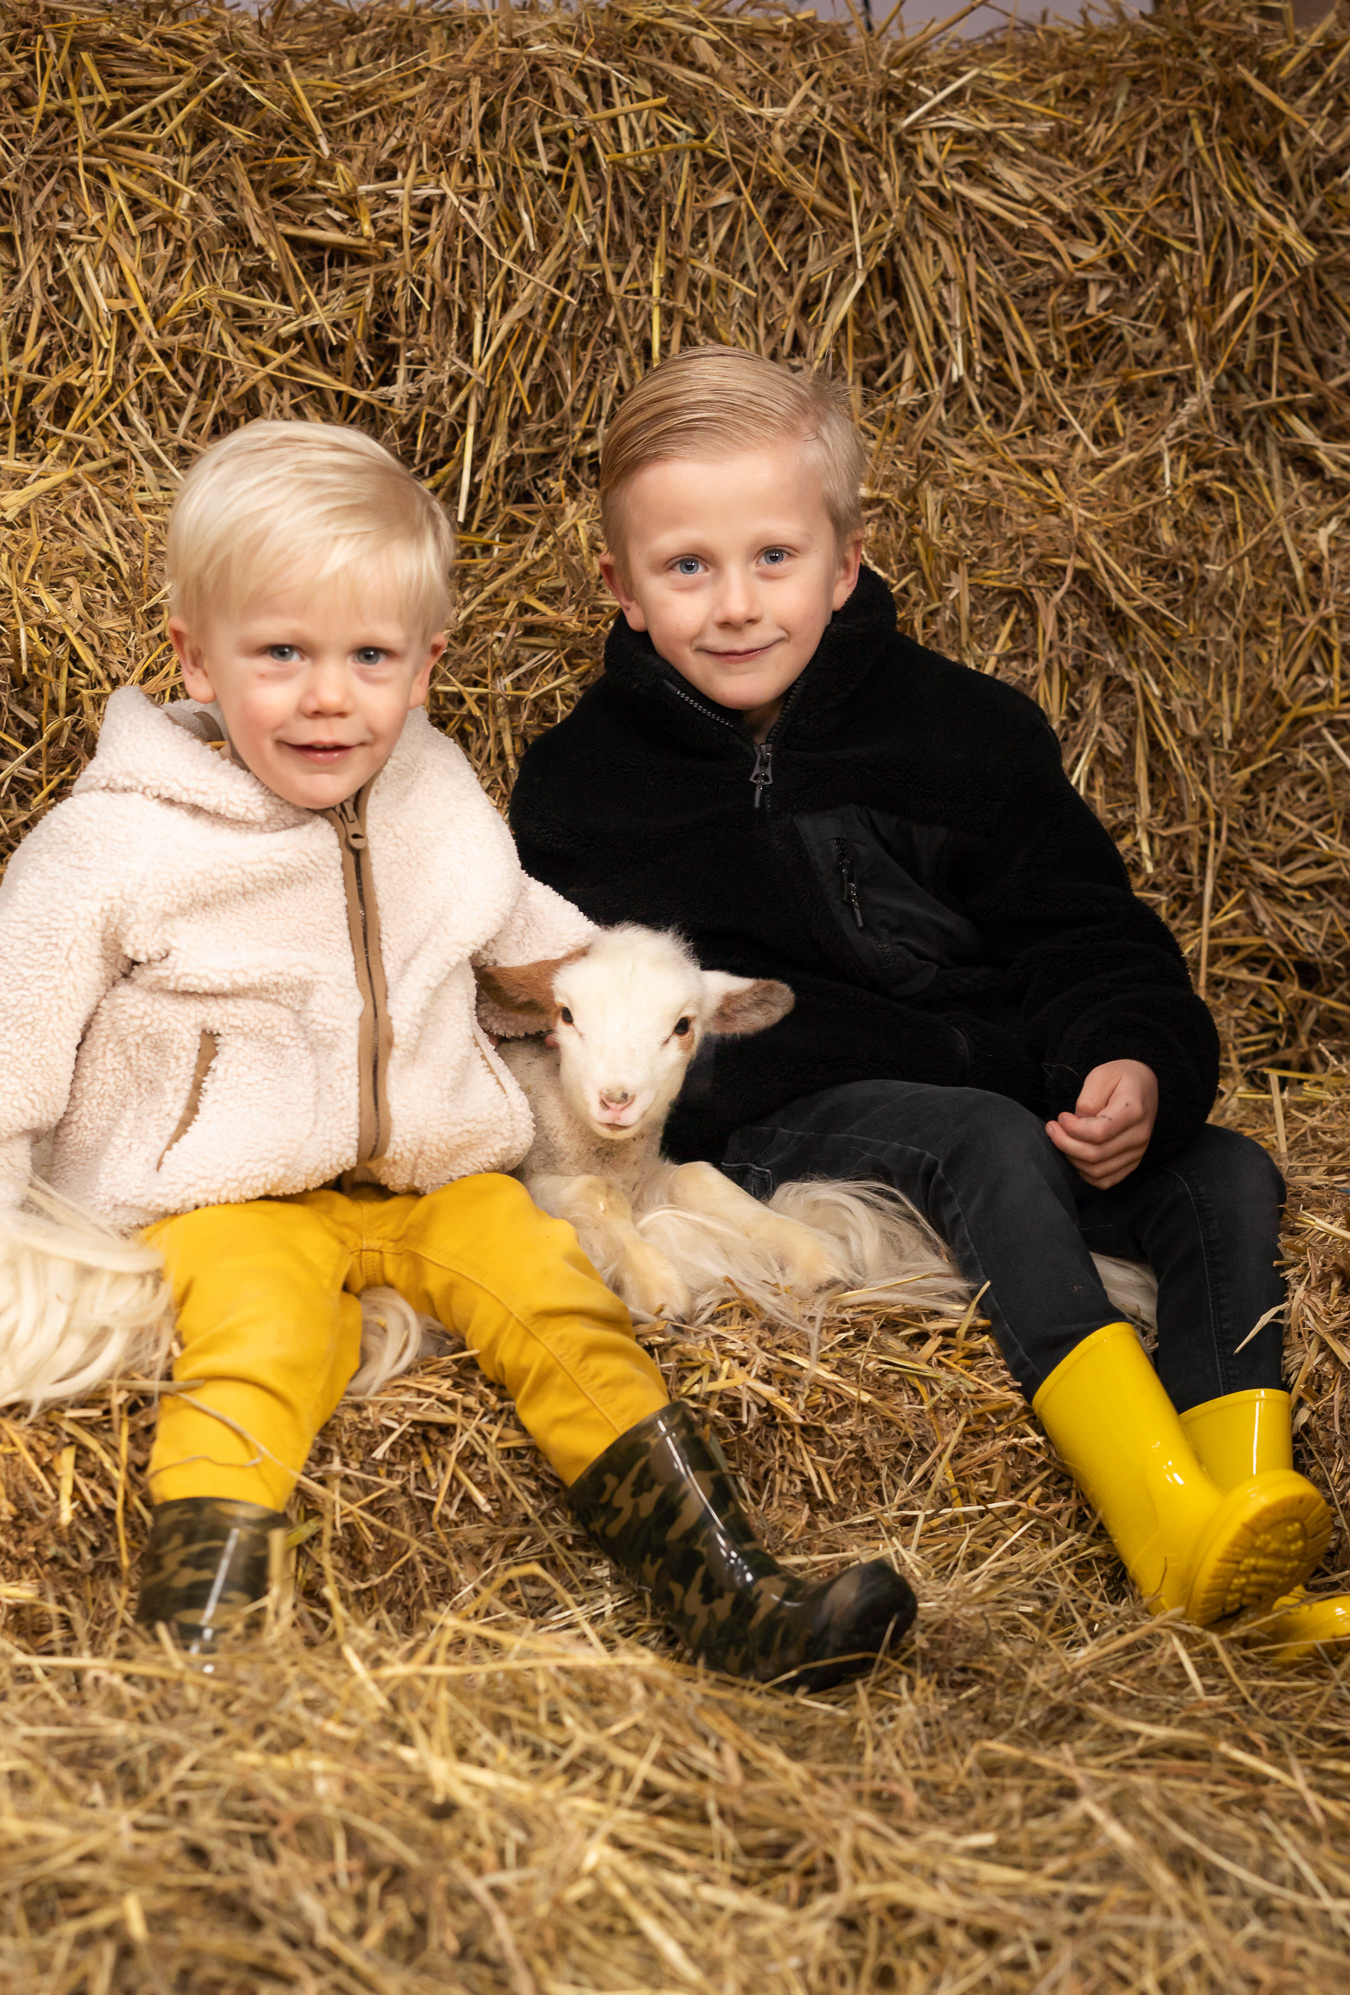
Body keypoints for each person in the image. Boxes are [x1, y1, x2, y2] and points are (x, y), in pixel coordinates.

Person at [0, 419, 917, 1687]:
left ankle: (729, 1591)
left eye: (370, 655)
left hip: (431, 1178)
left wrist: (621, 1000)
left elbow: (527, 934)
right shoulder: (117, 844)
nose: (330, 695)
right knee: (259, 1338)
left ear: (426, 666)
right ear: (195, 656)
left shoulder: (434, 795)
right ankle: (200, 1636)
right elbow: (10, 1023)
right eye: (281, 653)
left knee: (556, 1289)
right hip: (220, 1195)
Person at [510, 345, 1346, 1650]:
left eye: (774, 557)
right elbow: (596, 1023)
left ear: (845, 564)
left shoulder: (968, 735)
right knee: (981, 1136)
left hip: (1004, 1086)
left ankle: (1247, 1530)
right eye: (686, 568)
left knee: (1224, 1173)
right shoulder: (583, 787)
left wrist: (1127, 1061)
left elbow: (1086, 932)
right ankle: (1156, 1514)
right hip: (787, 1114)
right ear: (621, 588)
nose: (736, 604)